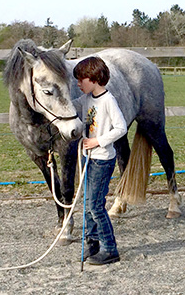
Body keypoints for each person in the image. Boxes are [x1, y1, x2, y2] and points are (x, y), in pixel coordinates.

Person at [73, 56, 127, 265]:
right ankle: (92, 243)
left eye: (81, 80)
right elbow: (72, 107)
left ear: (94, 79)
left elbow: (121, 128)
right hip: (88, 158)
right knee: (87, 203)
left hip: (102, 160)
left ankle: (110, 248)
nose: (78, 84)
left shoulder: (108, 100)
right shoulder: (86, 99)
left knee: (96, 205)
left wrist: (98, 141)